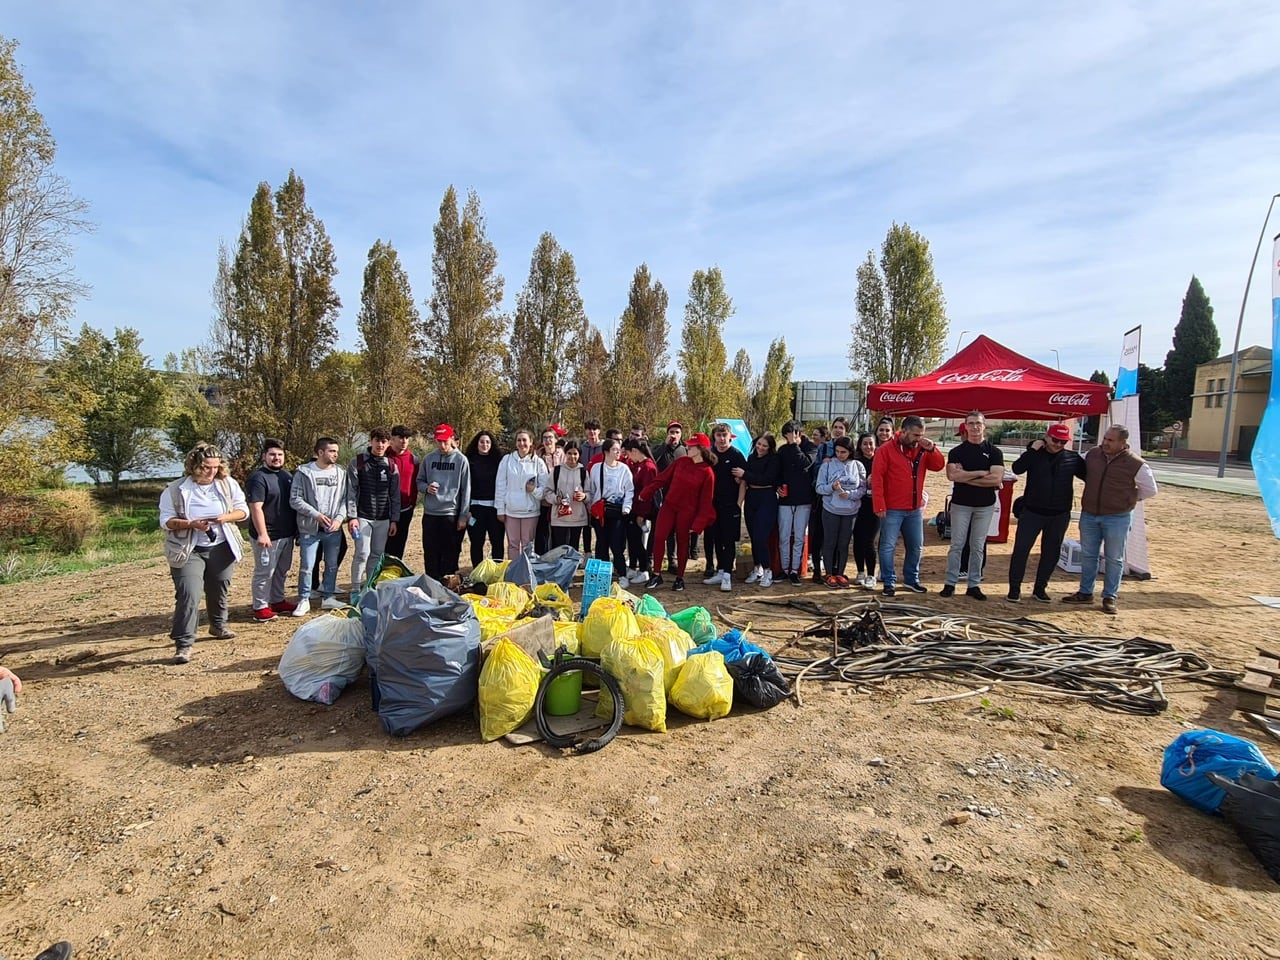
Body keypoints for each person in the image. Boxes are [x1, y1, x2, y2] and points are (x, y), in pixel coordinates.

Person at [159, 443, 249, 663]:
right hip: (188, 549)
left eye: (216, 467)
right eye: (207, 467)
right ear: (194, 466)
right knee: (189, 592)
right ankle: (184, 643)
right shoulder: (175, 489)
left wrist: (224, 518)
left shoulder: (228, 484)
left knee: (219, 587)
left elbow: (243, 510)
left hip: (221, 546)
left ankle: (217, 626)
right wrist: (190, 524)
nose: (212, 472)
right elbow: (166, 521)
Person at [1063, 424, 1158, 614]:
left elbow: (1150, 490)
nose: (1105, 442)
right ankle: (1085, 592)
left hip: (1118, 517)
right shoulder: (1093, 454)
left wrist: (1129, 499)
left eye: (1110, 440)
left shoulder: (1136, 464)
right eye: (1105, 438)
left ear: (1123, 443)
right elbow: (1074, 462)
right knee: (1089, 555)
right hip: (1090, 514)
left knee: (1114, 558)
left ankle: (1109, 596)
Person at [1007, 423, 1087, 603]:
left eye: (1063, 441)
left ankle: (1040, 589)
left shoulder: (1073, 458)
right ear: (1046, 437)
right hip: (1032, 512)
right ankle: (1014, 589)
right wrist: (1032, 450)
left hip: (1059, 514)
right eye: (1055, 440)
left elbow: (1090, 477)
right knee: (1021, 550)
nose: (1058, 444)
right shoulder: (1034, 455)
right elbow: (1017, 468)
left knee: (1051, 553)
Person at [871, 415, 945, 597]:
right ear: (903, 432)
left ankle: (912, 579)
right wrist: (879, 505)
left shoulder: (921, 448)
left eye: (921, 435)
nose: (918, 439)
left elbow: (938, 466)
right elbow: (877, 479)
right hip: (892, 508)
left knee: (916, 546)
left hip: (914, 509)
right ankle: (888, 581)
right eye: (915, 435)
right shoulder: (886, 450)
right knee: (888, 546)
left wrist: (932, 449)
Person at [940, 411, 1005, 600]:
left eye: (978, 423)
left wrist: (967, 477)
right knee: (957, 545)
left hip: (984, 506)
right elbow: (953, 476)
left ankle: (974, 584)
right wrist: (981, 473)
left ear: (984, 426)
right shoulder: (957, 452)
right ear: (965, 426)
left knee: (977, 545)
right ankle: (950, 582)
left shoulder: (994, 452)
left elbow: (996, 478)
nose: (975, 427)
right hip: (961, 504)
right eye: (971, 423)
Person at [642, 433, 717, 592]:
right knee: (659, 536)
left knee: (683, 542)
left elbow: (706, 502)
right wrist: (647, 491)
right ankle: (656, 574)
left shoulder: (708, 473)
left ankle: (680, 578)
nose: (687, 447)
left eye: (691, 446)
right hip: (669, 505)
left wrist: (698, 524)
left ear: (700, 449)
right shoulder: (681, 461)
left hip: (687, 511)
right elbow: (663, 478)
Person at [291, 437, 349, 615]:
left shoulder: (341, 473)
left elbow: (346, 499)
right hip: (310, 527)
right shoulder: (304, 472)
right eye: (332, 451)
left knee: (331, 564)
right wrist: (315, 515)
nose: (335, 455)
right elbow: (295, 499)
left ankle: (328, 596)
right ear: (320, 452)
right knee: (307, 565)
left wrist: (339, 518)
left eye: (336, 452)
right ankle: (304, 599)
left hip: (333, 528)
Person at [245, 438, 297, 622]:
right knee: (265, 571)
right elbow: (256, 507)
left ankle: (277, 600)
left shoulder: (286, 476)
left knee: (282, 569)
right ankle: (260, 607)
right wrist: (262, 533)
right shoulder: (258, 478)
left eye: (280, 455)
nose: (276, 458)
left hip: (286, 533)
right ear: (264, 456)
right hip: (268, 535)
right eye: (272, 454)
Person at [347, 428, 401, 597]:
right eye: (377, 441)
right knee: (362, 553)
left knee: (377, 555)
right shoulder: (358, 462)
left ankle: (368, 588)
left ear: (388, 444)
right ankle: (355, 589)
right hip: (363, 516)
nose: (380, 445)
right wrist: (352, 517)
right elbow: (351, 491)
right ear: (370, 441)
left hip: (383, 518)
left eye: (384, 442)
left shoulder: (392, 465)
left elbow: (395, 495)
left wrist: (394, 519)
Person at [419, 423, 471, 581]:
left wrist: (463, 516)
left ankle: (448, 586)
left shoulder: (461, 460)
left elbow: (465, 490)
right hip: (430, 514)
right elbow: (419, 481)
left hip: (450, 514)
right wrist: (426, 488)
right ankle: (431, 585)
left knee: (450, 553)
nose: (442, 445)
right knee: (430, 553)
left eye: (445, 441)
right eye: (438, 441)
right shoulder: (429, 459)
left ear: (452, 439)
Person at [816, 436, 866, 587]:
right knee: (830, 542)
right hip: (831, 509)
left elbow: (863, 488)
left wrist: (850, 495)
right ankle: (829, 573)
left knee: (843, 543)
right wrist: (831, 487)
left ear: (850, 451)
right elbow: (819, 487)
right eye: (837, 451)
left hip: (850, 511)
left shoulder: (858, 466)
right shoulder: (827, 466)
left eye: (843, 452)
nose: (839, 454)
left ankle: (840, 573)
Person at [704, 423, 746, 592]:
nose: (722, 439)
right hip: (713, 505)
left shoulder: (736, 455)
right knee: (716, 539)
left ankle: (728, 575)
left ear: (730, 437)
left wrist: (739, 503)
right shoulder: (710, 454)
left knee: (729, 541)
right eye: (718, 436)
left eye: (724, 436)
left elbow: (744, 480)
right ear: (714, 438)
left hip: (731, 505)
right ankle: (720, 571)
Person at [588, 437, 636, 584]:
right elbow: (591, 490)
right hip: (600, 512)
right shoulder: (597, 468)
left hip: (617, 512)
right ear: (606, 452)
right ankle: (602, 575)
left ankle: (622, 574)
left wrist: (626, 507)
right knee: (601, 544)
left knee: (616, 544)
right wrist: (591, 505)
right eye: (615, 450)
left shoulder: (624, 469)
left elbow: (629, 490)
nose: (618, 452)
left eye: (619, 450)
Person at [809, 417, 851, 583]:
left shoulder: (849, 446)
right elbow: (815, 470)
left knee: (837, 538)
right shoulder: (825, 447)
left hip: (843, 501)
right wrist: (825, 465)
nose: (838, 430)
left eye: (841, 427)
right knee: (818, 534)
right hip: (823, 498)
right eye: (836, 427)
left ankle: (836, 570)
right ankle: (818, 571)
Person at [495, 429, 549, 558]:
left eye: (525, 440)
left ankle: (526, 573)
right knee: (513, 544)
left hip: (530, 511)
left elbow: (545, 490)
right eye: (519, 440)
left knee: (527, 545)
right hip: (511, 511)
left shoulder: (538, 463)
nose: (521, 443)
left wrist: (533, 491)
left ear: (531, 443)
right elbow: (500, 486)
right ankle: (513, 573)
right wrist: (500, 509)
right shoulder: (507, 460)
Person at [776, 421, 816, 586]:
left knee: (799, 536)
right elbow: (778, 470)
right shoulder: (782, 450)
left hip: (804, 500)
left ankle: (794, 570)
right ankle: (784, 569)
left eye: (791, 435)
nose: (789, 439)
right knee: (784, 535)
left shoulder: (810, 447)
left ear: (799, 434)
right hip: (785, 499)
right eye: (786, 436)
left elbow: (805, 463)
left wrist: (794, 445)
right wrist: (778, 485)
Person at [741, 432, 781, 587]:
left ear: (770, 447)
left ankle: (768, 570)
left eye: (765, 446)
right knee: (752, 536)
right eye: (759, 444)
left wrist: (746, 475)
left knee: (760, 536)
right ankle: (756, 567)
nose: (761, 448)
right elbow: (746, 477)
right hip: (751, 498)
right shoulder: (751, 458)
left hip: (767, 498)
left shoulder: (774, 459)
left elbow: (767, 479)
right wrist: (743, 477)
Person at [653, 421, 690, 572]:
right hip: (663, 493)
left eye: (677, 432)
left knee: (676, 529)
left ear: (681, 435)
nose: (674, 435)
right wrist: (664, 446)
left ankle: (673, 559)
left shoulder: (685, 450)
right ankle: (656, 560)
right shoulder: (660, 449)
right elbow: (652, 461)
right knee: (662, 529)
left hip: (681, 494)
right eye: (671, 432)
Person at [464, 430, 505, 567]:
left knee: (497, 542)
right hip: (475, 510)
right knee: (476, 543)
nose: (485, 444)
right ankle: (477, 574)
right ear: (476, 444)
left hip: (494, 509)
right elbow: (464, 487)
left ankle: (497, 572)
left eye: (488, 442)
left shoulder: (499, 461)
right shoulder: (468, 461)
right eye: (482, 442)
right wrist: (467, 511)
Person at [622, 438, 658, 582]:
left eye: (629, 453)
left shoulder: (648, 467)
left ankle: (644, 569)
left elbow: (647, 493)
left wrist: (642, 514)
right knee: (632, 539)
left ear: (635, 451)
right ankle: (633, 567)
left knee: (637, 541)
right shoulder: (637, 465)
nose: (628, 457)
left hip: (641, 510)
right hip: (634, 507)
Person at [546, 439, 590, 551]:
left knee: (573, 548)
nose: (572, 456)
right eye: (569, 453)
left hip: (577, 518)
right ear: (565, 454)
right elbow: (547, 491)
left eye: (575, 453)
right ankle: (559, 568)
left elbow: (590, 494)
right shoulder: (556, 471)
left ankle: (571, 568)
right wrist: (556, 499)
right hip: (559, 517)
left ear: (579, 454)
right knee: (559, 548)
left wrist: (584, 496)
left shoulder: (583, 472)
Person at [385, 425, 419, 563]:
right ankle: (376, 576)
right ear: (392, 439)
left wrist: (412, 503)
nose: (404, 441)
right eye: (400, 437)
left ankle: (394, 573)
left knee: (399, 544)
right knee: (381, 545)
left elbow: (416, 482)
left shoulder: (413, 459)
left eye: (406, 438)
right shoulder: (383, 455)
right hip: (384, 510)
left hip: (405, 509)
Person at [851, 432, 880, 589]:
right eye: (865, 444)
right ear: (860, 446)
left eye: (871, 443)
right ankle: (860, 572)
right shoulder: (855, 462)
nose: (868, 447)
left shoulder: (880, 460)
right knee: (858, 540)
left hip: (875, 505)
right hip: (858, 505)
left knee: (869, 540)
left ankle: (871, 575)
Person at [534, 426, 566, 553]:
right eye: (545, 438)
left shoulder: (563, 455)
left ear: (556, 439)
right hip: (543, 501)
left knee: (558, 534)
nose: (548, 440)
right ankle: (540, 559)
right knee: (542, 532)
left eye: (550, 437)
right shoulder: (537, 457)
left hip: (559, 500)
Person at [580, 419, 604, 554]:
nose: (591, 432)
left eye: (594, 429)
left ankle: (601, 552)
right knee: (585, 523)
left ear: (599, 431)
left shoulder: (604, 447)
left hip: (600, 489)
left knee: (598, 523)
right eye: (589, 429)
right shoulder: (582, 448)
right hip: (584, 488)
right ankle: (587, 552)